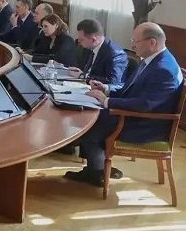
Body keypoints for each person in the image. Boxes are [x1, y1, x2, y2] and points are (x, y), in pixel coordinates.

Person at [65, 23, 183, 187]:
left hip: (146, 127)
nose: (132, 45)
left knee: (90, 123)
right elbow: (130, 90)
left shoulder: (163, 70)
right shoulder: (153, 60)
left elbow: (144, 104)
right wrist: (106, 89)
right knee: (90, 114)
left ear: (152, 42)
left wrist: (106, 101)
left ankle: (96, 172)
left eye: (136, 41)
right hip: (138, 117)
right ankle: (98, 167)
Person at [68, 19, 127, 89]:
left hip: (100, 92)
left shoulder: (114, 54)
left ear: (93, 40)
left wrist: (85, 76)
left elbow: (112, 82)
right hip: (84, 86)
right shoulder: (89, 47)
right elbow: (84, 69)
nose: (78, 42)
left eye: (81, 39)